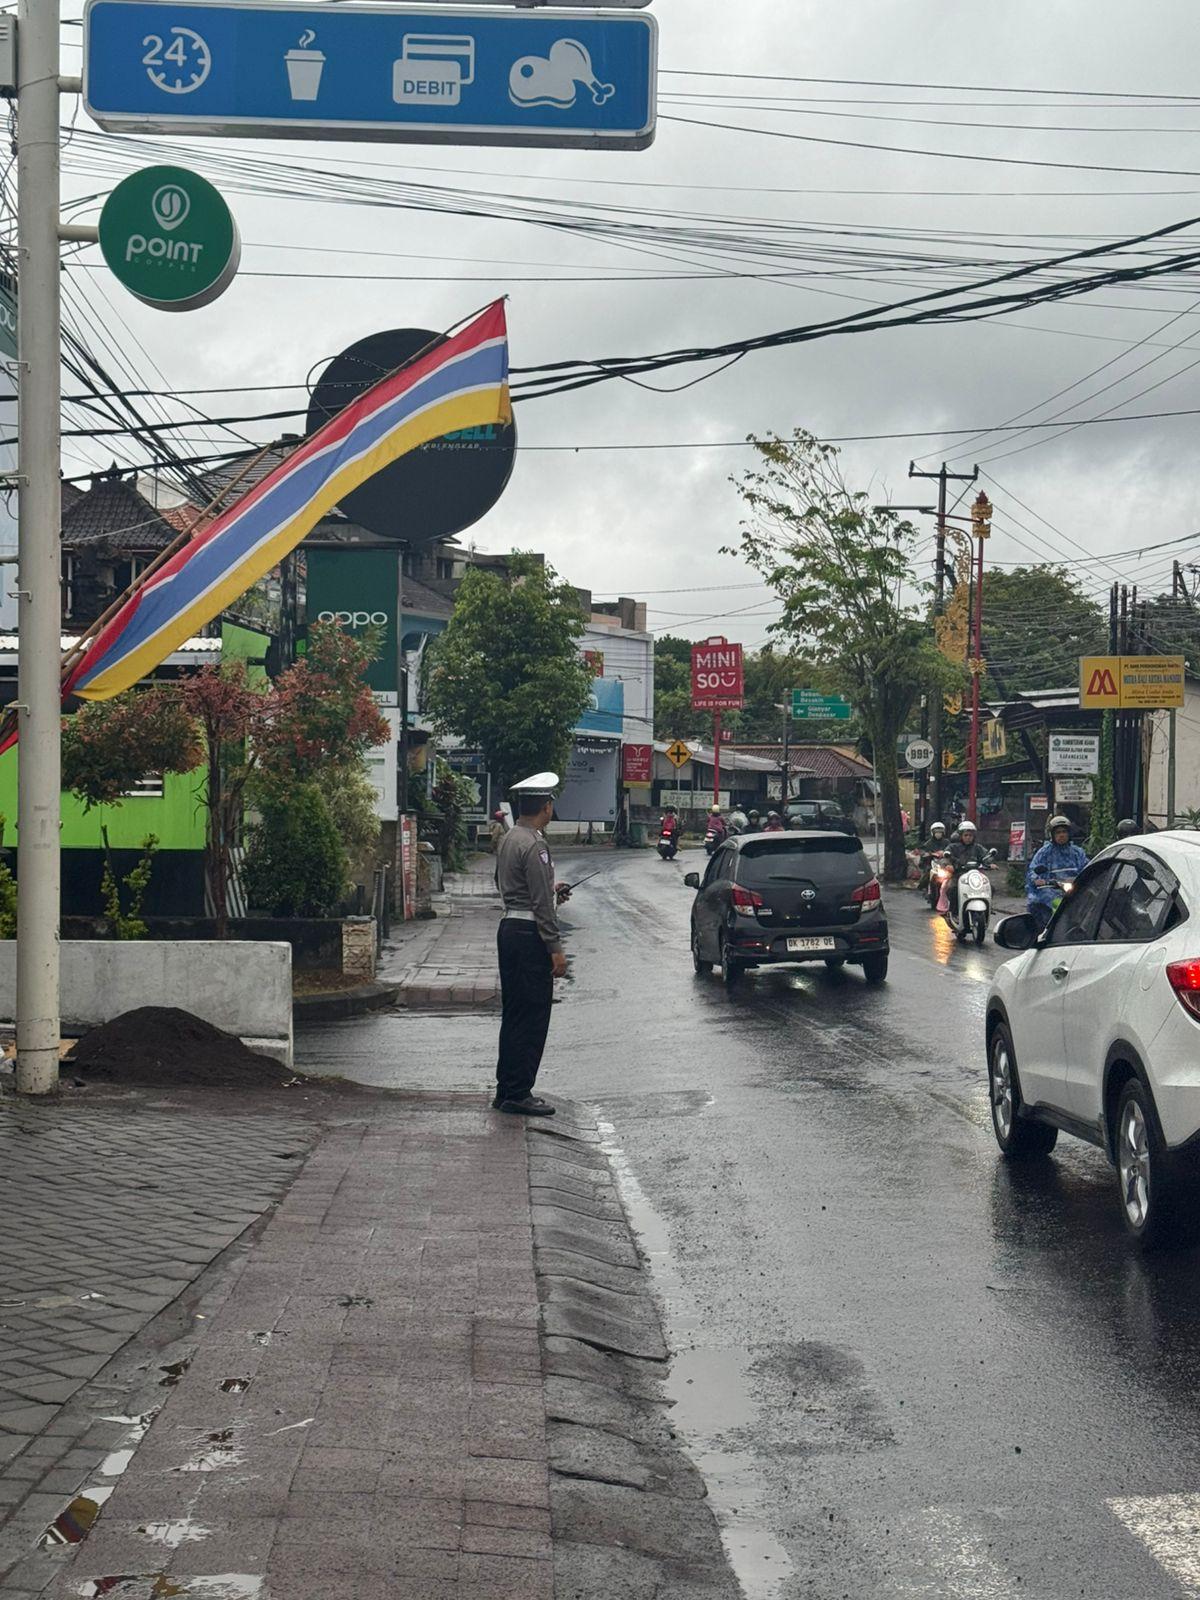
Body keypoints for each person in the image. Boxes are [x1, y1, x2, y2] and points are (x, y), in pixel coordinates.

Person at [493, 772, 572, 1117]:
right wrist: (555, 948)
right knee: (533, 1017)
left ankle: (506, 1089)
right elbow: (540, 904)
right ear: (546, 806)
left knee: (514, 1014)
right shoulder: (536, 844)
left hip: (510, 927)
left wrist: (551, 893)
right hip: (529, 938)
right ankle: (520, 1093)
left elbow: (512, 885)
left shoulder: (511, 837)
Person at [1026, 814, 1089, 929]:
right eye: (1058, 832)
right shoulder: (1044, 852)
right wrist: (1036, 879)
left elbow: (1087, 867)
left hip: (1074, 889)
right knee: (1039, 904)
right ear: (1052, 835)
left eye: (1064, 832)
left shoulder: (1077, 852)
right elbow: (1033, 869)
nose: (1061, 835)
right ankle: (1045, 931)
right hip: (1051, 890)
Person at [941, 819, 989, 917]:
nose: (968, 838)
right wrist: (948, 865)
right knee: (953, 890)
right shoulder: (953, 847)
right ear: (960, 836)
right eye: (965, 835)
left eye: (970, 835)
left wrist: (989, 863)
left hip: (975, 876)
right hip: (958, 875)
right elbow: (945, 858)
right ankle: (953, 913)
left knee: (990, 888)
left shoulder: (978, 848)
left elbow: (986, 857)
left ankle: (987, 910)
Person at [919, 820, 948, 891]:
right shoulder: (928, 844)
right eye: (937, 832)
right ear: (933, 833)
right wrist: (928, 854)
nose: (938, 834)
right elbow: (923, 853)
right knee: (927, 874)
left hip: (944, 864)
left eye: (940, 832)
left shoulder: (947, 842)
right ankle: (924, 887)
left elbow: (951, 851)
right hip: (932, 864)